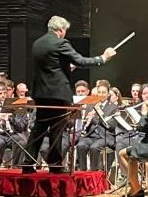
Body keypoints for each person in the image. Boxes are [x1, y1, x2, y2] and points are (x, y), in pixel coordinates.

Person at [22, 15, 116, 174]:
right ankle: (56, 166)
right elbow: (81, 61)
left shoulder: (37, 43)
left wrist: (66, 68)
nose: (65, 34)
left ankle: (27, 163)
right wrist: (103, 58)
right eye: (65, 30)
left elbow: (50, 68)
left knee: (39, 127)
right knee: (57, 129)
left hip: (41, 92)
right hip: (58, 94)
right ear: (60, 30)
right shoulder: (60, 43)